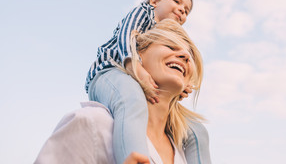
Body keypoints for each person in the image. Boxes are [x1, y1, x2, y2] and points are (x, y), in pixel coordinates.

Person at [35, 19, 211, 164]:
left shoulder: (186, 153)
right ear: (138, 55)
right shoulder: (93, 124)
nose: (185, 55)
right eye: (171, 47)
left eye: (190, 55)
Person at [85, 0, 210, 164]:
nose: (182, 10)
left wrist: (180, 83)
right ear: (154, 1)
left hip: (133, 78)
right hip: (108, 72)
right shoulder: (143, 13)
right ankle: (135, 157)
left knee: (197, 131)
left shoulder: (164, 33)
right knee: (131, 99)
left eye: (186, 11)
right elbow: (126, 35)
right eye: (177, 2)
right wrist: (133, 64)